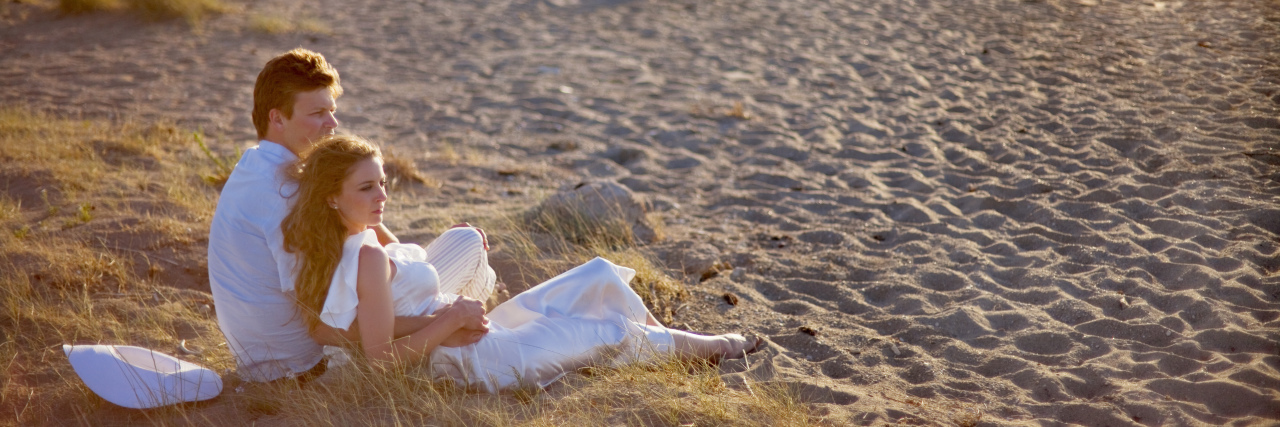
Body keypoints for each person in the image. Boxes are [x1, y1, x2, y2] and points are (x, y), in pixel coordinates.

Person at [283, 135, 761, 392]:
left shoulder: (364, 237)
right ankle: (714, 347)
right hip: (479, 360)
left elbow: (382, 319)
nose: (382, 195)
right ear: (331, 198)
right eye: (367, 188)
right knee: (611, 330)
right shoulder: (365, 257)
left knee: (593, 276)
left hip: (472, 333)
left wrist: (447, 316)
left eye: (382, 182)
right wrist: (449, 318)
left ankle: (668, 346)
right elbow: (381, 360)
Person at [208, 48, 494, 382]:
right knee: (467, 246)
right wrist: (441, 322)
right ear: (278, 118)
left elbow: (375, 247)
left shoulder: (256, 166)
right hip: (307, 368)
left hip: (266, 362)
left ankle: (471, 326)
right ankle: (473, 336)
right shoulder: (287, 194)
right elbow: (323, 325)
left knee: (453, 249)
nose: (332, 124)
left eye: (332, 110)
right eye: (317, 113)